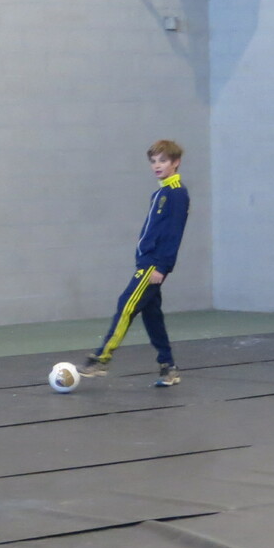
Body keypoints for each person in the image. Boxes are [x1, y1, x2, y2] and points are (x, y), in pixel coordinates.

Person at [80, 140, 191, 387]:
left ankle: (101, 358)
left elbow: (173, 233)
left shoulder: (176, 193)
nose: (157, 166)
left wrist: (162, 266)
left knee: (126, 305)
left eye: (163, 160)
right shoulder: (161, 193)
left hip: (153, 264)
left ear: (176, 163)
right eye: (153, 161)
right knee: (152, 315)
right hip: (146, 261)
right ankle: (168, 366)